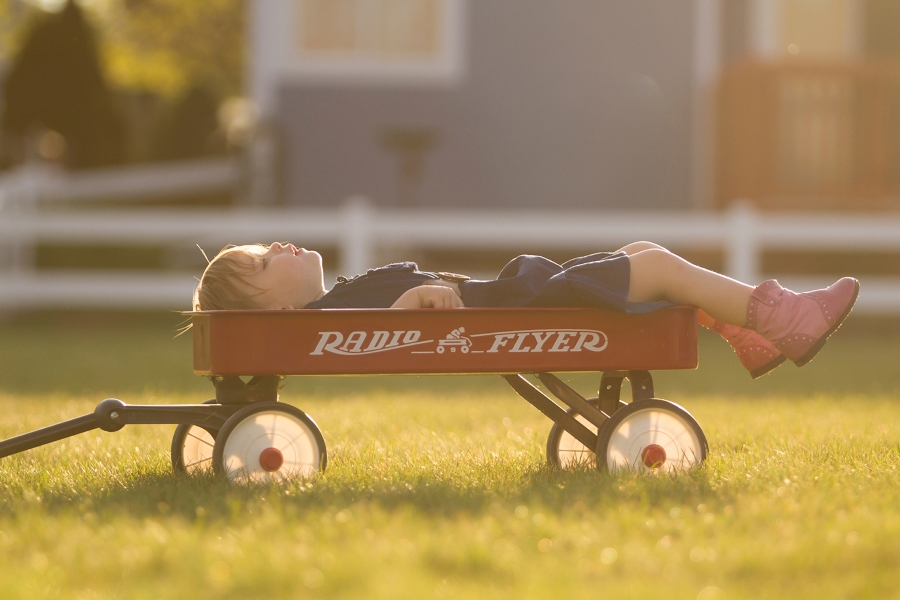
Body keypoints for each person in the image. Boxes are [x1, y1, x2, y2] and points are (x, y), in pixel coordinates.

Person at [193, 241, 859, 379]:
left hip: (516, 297)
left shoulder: (337, 305)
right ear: (276, 306)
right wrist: (408, 299)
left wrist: (404, 298)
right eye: (260, 261)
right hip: (518, 306)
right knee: (653, 264)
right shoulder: (335, 316)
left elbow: (362, 326)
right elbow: (377, 331)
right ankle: (781, 319)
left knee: (642, 257)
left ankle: (748, 330)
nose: (276, 245)